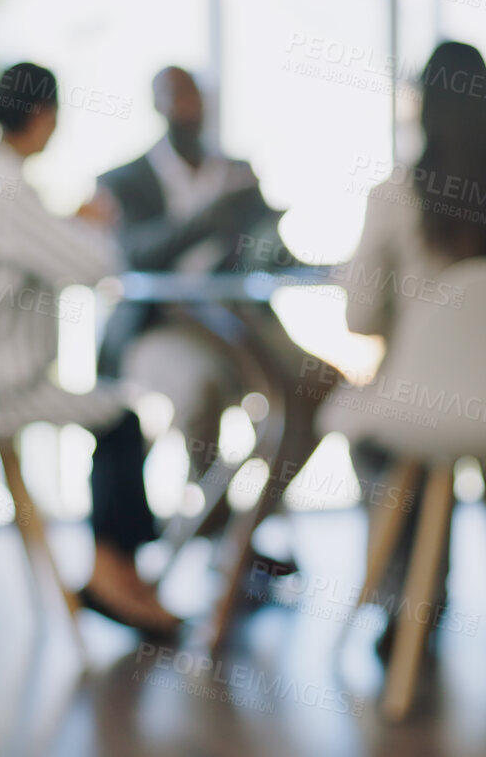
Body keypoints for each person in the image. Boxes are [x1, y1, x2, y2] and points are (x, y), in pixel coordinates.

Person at [0, 62, 181, 635]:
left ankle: (120, 573)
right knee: (119, 418)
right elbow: (95, 267)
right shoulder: (6, 185)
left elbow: (28, 246)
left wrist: (61, 220)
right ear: (44, 115)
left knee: (115, 415)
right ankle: (113, 574)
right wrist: (95, 224)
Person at [97, 67, 329, 565]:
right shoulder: (125, 181)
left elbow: (271, 250)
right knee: (199, 389)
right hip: (164, 325)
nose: (188, 107)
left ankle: (245, 527)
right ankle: (212, 525)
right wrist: (209, 215)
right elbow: (135, 254)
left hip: (241, 320)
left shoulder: (237, 172)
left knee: (318, 383)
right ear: (157, 105)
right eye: (175, 96)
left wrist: (318, 260)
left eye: (194, 95)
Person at [326, 41, 486, 447]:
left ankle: (402, 509)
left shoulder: (396, 196)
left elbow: (360, 318)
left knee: (361, 424)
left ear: (426, 107)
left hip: (427, 402)